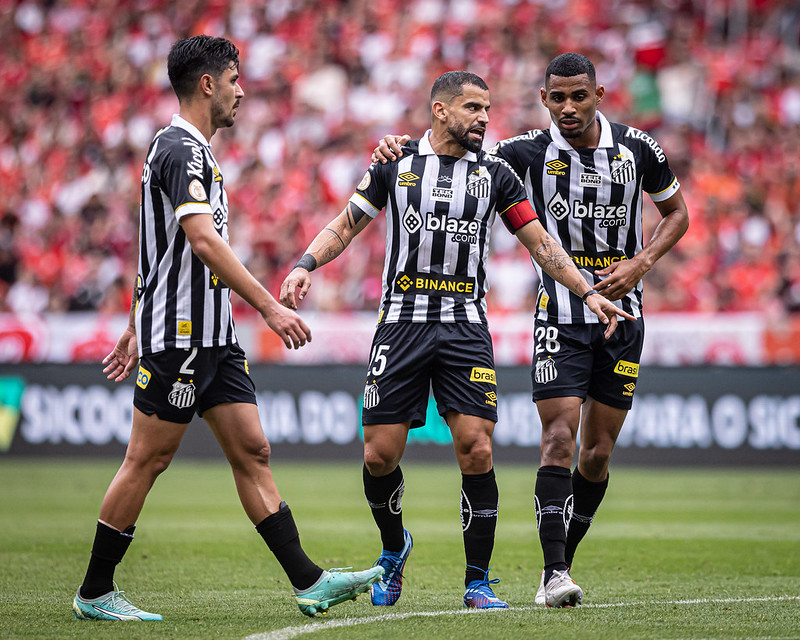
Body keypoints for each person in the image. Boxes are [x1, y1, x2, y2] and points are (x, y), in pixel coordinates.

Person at [280, 70, 633, 610]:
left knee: (477, 448)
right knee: (379, 456)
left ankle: (477, 582)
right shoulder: (395, 163)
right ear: (440, 110)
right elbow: (347, 224)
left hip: (465, 327)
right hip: (400, 325)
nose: (484, 118)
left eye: (487, 109)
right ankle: (395, 547)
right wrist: (306, 264)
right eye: (472, 108)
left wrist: (587, 292)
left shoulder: (495, 173)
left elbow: (541, 244)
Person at [71, 35, 382, 622]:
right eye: (235, 80)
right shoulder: (180, 149)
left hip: (213, 337)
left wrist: (133, 320)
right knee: (147, 460)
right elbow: (199, 239)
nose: (242, 91)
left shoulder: (198, 154)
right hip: (182, 337)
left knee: (253, 451)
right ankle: (94, 590)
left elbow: (152, 250)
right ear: (208, 83)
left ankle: (308, 580)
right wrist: (268, 306)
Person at [373, 52, 689, 608]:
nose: (568, 107)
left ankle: (561, 554)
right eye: (557, 97)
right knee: (559, 438)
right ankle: (554, 571)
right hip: (560, 315)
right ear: (544, 100)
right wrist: (394, 148)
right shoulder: (521, 153)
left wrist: (638, 265)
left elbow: (677, 214)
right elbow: (449, 155)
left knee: (596, 454)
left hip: (624, 315)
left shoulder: (639, 149)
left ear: (600, 95)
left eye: (579, 96)